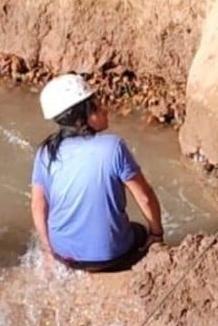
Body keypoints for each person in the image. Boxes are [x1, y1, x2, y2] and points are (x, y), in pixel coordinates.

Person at [31, 73, 164, 272]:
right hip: (113, 256)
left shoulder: (46, 152)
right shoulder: (113, 146)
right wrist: (157, 234)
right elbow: (145, 197)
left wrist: (48, 251)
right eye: (97, 104)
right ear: (84, 115)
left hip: (63, 255)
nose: (104, 109)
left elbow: (38, 205)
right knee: (141, 232)